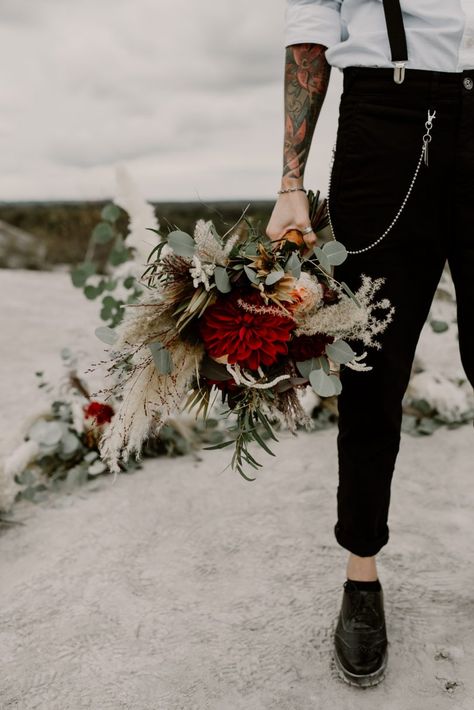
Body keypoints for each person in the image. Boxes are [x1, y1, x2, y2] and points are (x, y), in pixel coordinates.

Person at [266, 0, 474, 688]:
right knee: (371, 366)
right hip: (384, 121)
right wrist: (291, 180)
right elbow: (311, 24)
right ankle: (361, 574)